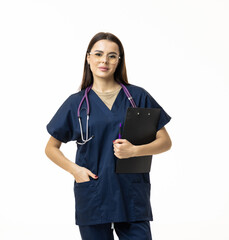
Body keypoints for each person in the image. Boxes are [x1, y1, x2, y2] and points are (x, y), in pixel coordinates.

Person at [44, 32, 172, 240]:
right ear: (88, 58)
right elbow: (51, 147)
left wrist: (134, 151)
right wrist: (75, 171)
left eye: (112, 56)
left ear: (119, 61)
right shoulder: (76, 104)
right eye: (98, 54)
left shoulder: (137, 97)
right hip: (94, 191)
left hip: (130, 193)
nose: (104, 60)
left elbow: (165, 142)